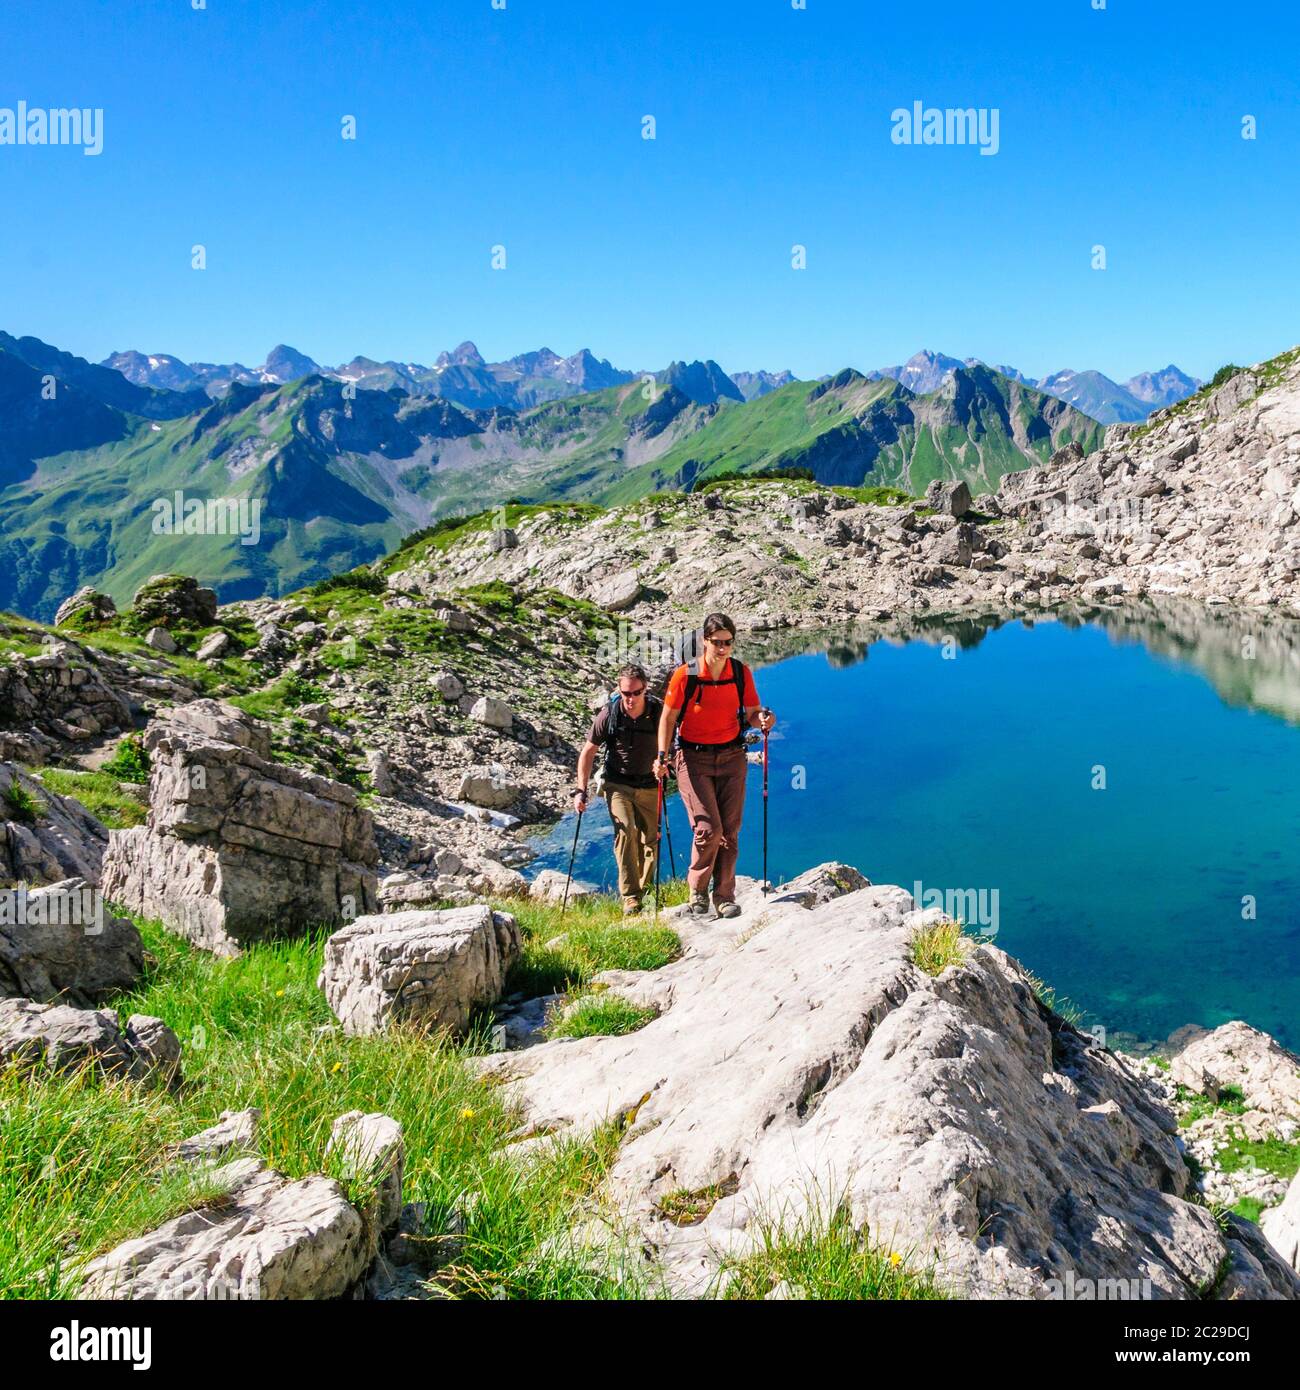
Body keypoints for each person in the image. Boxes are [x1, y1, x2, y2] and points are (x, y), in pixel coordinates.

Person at [654, 613, 776, 918]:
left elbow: (751, 712)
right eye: (716, 642)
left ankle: (724, 896)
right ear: (704, 642)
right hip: (693, 758)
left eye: (728, 642)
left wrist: (763, 719)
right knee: (709, 828)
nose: (722, 648)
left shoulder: (740, 672)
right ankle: (698, 888)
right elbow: (668, 718)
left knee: (730, 830)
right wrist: (662, 755)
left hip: (732, 756)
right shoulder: (686, 675)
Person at [572, 663, 663, 915]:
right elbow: (588, 751)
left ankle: (646, 888)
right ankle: (631, 897)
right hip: (618, 783)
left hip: (650, 784)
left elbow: (671, 746)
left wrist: (664, 762)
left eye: (636, 693)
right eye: (625, 693)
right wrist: (581, 790)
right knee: (625, 831)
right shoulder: (609, 714)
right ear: (619, 690)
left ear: (645, 689)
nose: (631, 699)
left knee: (651, 839)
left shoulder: (658, 712)